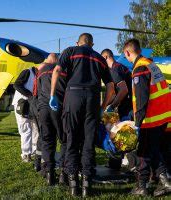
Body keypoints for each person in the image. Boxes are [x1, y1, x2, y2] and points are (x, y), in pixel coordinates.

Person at [50, 33, 114, 197]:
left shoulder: (70, 51)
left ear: (78, 42)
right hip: (92, 98)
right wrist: (103, 106)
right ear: (92, 45)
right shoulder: (100, 58)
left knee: (71, 139)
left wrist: (52, 95)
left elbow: (57, 70)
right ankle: (87, 183)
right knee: (88, 140)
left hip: (73, 96)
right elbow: (111, 87)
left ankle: (73, 183)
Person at [123, 38, 171, 197]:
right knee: (155, 151)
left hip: (151, 119)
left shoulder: (139, 68)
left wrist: (138, 122)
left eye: (126, 56)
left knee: (143, 153)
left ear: (127, 52)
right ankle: (165, 181)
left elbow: (142, 97)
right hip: (163, 116)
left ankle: (142, 186)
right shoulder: (151, 64)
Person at [35, 53, 67, 185]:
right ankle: (64, 174)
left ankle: (49, 173)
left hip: (43, 109)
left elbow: (36, 91)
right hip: (58, 107)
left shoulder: (41, 71)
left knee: (47, 140)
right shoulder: (62, 69)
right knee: (64, 140)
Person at [101, 48, 133, 170]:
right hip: (126, 107)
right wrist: (105, 106)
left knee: (126, 137)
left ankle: (133, 166)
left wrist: (112, 106)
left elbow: (123, 90)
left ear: (105, 57)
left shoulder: (114, 69)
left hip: (127, 108)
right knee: (118, 134)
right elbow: (114, 94)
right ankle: (114, 165)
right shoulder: (120, 67)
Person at [12, 67, 39, 163]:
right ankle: (26, 154)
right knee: (26, 128)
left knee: (36, 127)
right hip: (22, 104)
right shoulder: (27, 72)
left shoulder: (39, 75)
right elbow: (17, 85)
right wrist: (30, 95)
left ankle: (35, 152)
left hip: (32, 104)